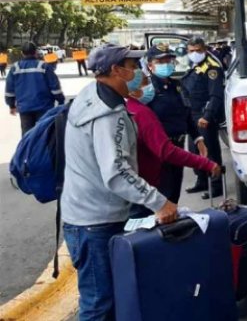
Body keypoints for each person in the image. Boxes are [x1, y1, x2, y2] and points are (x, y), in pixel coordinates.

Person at [61, 44, 179, 321]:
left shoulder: (92, 95)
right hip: (93, 222)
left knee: (110, 298)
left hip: (92, 215)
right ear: (116, 70)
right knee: (99, 304)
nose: (138, 71)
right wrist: (160, 203)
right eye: (132, 65)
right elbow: (116, 172)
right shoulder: (107, 114)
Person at [126, 74, 222, 218]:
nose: (149, 87)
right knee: (159, 214)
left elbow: (185, 113)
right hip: (153, 171)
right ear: (133, 89)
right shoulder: (141, 112)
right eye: (145, 83)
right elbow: (166, 151)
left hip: (155, 166)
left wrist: (197, 138)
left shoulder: (127, 107)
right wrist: (206, 164)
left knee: (170, 201)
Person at [145, 43, 208, 204]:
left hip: (178, 148)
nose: (166, 65)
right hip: (159, 151)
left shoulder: (177, 86)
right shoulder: (147, 89)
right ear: (150, 66)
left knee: (174, 194)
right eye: (160, 62)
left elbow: (186, 114)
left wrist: (197, 139)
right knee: (161, 198)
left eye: (169, 60)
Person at [181, 37, 225, 199]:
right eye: (191, 51)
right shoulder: (193, 65)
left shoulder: (212, 68)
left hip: (204, 114)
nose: (194, 54)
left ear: (204, 49)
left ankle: (216, 185)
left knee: (210, 151)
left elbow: (216, 95)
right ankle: (201, 180)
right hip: (192, 113)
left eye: (198, 50)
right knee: (194, 150)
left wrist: (207, 116)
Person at [4, 42, 65, 134]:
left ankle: (28, 148)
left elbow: (9, 89)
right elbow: (55, 87)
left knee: (27, 135)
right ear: (35, 52)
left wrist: (11, 105)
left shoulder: (15, 68)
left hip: (25, 108)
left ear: (22, 53)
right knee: (44, 134)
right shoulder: (44, 66)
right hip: (44, 107)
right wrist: (61, 101)